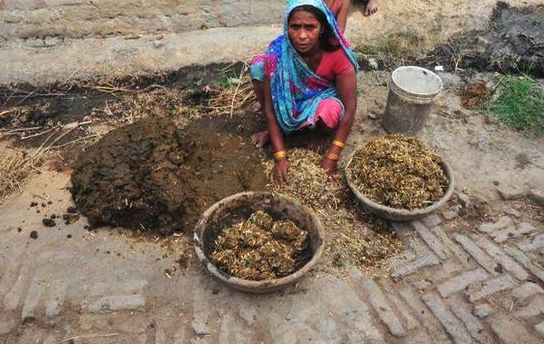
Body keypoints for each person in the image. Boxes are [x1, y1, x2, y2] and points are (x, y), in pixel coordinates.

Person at [249, 0, 358, 181]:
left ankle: (317, 133)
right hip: (289, 100)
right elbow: (269, 107)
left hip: (321, 98)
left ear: (322, 28)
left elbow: (351, 108)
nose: (302, 35)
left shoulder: (337, 53)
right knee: (258, 67)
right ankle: (277, 129)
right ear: (286, 26)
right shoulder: (278, 52)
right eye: (295, 27)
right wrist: (280, 156)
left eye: (310, 27)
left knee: (330, 110)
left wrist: (332, 157)